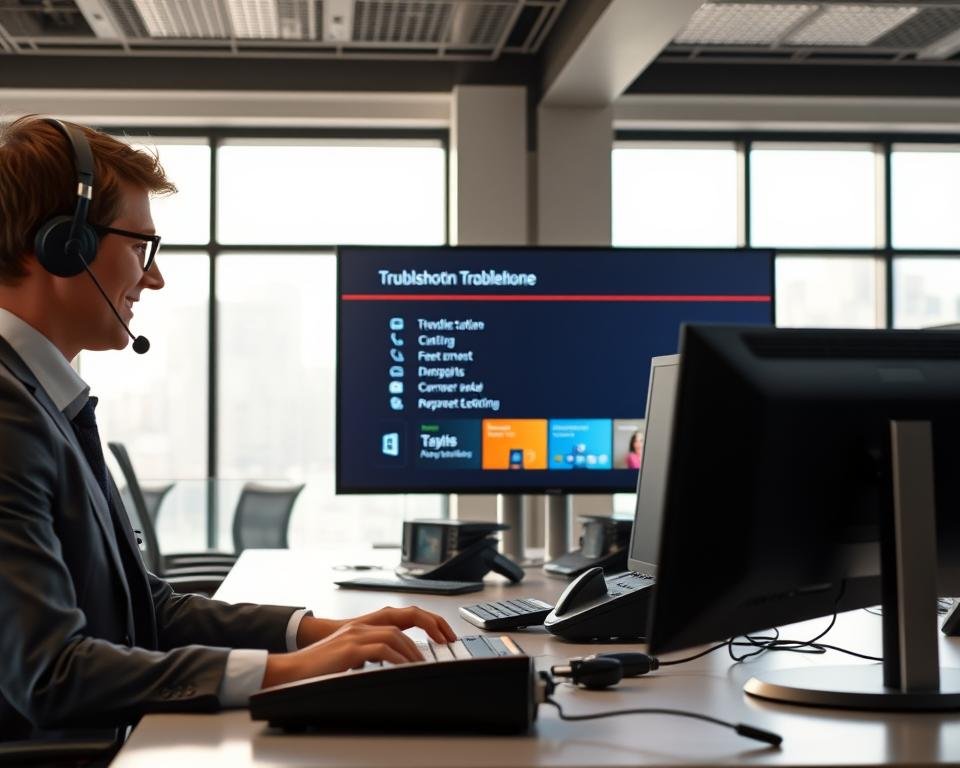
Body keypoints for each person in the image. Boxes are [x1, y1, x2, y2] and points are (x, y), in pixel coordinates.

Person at [0, 116, 457, 743]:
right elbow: (51, 674)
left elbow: (144, 609)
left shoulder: (41, 400)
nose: (154, 277)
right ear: (62, 245)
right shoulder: (8, 412)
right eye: (139, 247)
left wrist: (316, 634)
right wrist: (286, 672)